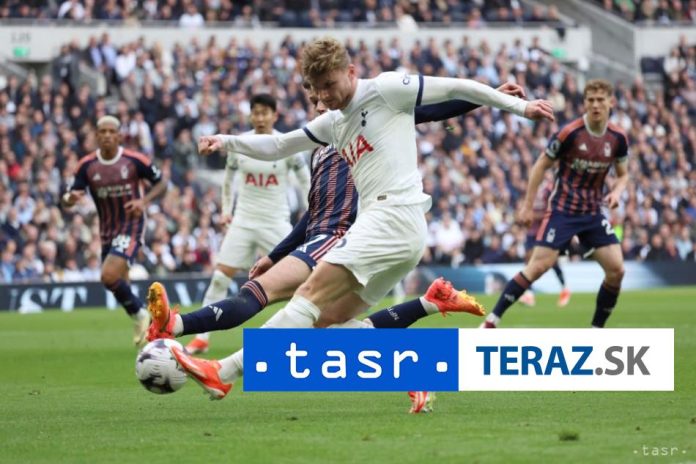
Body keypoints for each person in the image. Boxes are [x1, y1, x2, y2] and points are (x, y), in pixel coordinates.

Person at [149, 36, 553, 399]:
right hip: (396, 230)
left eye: (331, 84)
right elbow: (279, 145)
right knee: (325, 324)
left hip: (392, 215)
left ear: (351, 72)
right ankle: (416, 346)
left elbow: (455, 88)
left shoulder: (386, 89)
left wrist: (519, 107)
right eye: (318, 88)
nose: (326, 95)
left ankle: (222, 371)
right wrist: (225, 141)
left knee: (308, 296)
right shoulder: (333, 122)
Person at [481, 79, 628, 329]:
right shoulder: (570, 133)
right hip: (563, 211)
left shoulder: (617, 138)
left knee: (617, 270)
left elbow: (623, 174)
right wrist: (528, 205)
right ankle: (490, 322)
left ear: (610, 103)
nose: (595, 105)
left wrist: (617, 191)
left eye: (600, 100)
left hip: (593, 213)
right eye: (591, 100)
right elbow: (541, 165)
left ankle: (596, 331)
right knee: (538, 266)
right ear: (584, 103)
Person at [186, 93, 311, 355]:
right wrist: (226, 210)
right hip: (243, 220)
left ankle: (311, 330)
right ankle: (201, 338)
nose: (260, 118)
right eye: (256, 112)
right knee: (220, 277)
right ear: (251, 115)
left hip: (276, 222)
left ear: (274, 115)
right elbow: (228, 180)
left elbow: (305, 181)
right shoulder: (240, 143)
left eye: (265, 113)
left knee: (304, 279)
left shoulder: (286, 144)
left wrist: (313, 208)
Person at [62, 115, 167, 346]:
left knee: (108, 275)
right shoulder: (87, 166)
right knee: (118, 281)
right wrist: (70, 199)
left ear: (119, 136)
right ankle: (150, 325)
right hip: (107, 231)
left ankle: (141, 314)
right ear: (96, 136)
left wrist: (144, 201)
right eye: (103, 131)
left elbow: (162, 183)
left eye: (112, 131)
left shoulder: (134, 160)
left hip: (132, 225)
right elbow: (68, 198)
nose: (107, 135)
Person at [517, 173, 571, 308]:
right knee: (528, 260)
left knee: (551, 261)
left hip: (544, 229)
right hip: (531, 231)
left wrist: (533, 215)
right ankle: (529, 294)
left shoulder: (548, 189)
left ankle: (564, 288)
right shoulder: (530, 190)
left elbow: (551, 211)